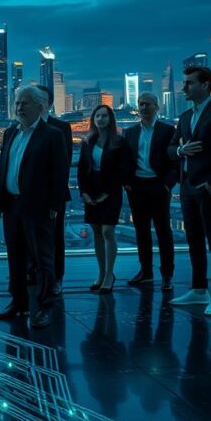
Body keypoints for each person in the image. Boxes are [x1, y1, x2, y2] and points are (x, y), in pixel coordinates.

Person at [0, 85, 68, 328]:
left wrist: (54, 204)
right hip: (11, 205)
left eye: (25, 103)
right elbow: (3, 168)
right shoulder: (10, 133)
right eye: (17, 103)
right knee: (15, 255)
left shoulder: (52, 135)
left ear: (40, 106)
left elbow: (60, 172)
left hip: (38, 206)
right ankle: (18, 302)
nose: (19, 107)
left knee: (43, 259)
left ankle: (44, 307)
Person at [167, 66, 211, 316]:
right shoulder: (185, 117)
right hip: (187, 187)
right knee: (194, 238)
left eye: (189, 83)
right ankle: (198, 290)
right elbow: (171, 148)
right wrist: (180, 151)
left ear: (205, 85)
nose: (184, 87)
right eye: (184, 82)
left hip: (207, 188)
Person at [124, 92, 179, 290]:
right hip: (137, 187)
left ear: (157, 107)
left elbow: (175, 161)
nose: (144, 107)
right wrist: (127, 183)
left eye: (148, 104)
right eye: (141, 104)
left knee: (163, 231)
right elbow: (125, 160)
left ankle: (167, 275)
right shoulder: (130, 132)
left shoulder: (167, 130)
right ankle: (146, 272)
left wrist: (167, 185)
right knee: (141, 231)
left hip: (159, 186)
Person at [77, 104, 132, 293]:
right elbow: (82, 169)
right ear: (93, 120)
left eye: (104, 116)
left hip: (111, 190)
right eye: (97, 116)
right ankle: (101, 272)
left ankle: (109, 274)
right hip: (92, 189)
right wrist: (84, 193)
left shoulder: (119, 142)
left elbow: (124, 169)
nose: (101, 119)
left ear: (110, 119)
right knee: (97, 232)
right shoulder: (87, 141)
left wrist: (106, 193)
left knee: (108, 231)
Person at [37, 85, 73, 296]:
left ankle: (57, 277)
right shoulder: (23, 126)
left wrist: (55, 195)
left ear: (49, 103)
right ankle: (36, 275)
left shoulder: (61, 127)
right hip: (29, 195)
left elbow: (64, 164)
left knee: (56, 237)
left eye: (41, 99)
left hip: (53, 194)